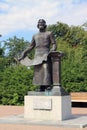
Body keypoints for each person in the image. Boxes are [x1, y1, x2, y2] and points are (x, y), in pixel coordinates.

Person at [19, 19, 57, 91]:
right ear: (37, 25)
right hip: (37, 54)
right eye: (39, 23)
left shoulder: (49, 33)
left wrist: (53, 49)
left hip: (46, 53)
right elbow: (31, 46)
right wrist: (24, 52)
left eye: (42, 23)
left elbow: (54, 44)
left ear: (45, 24)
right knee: (38, 71)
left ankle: (47, 86)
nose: (41, 24)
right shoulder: (35, 35)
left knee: (46, 69)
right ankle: (41, 87)